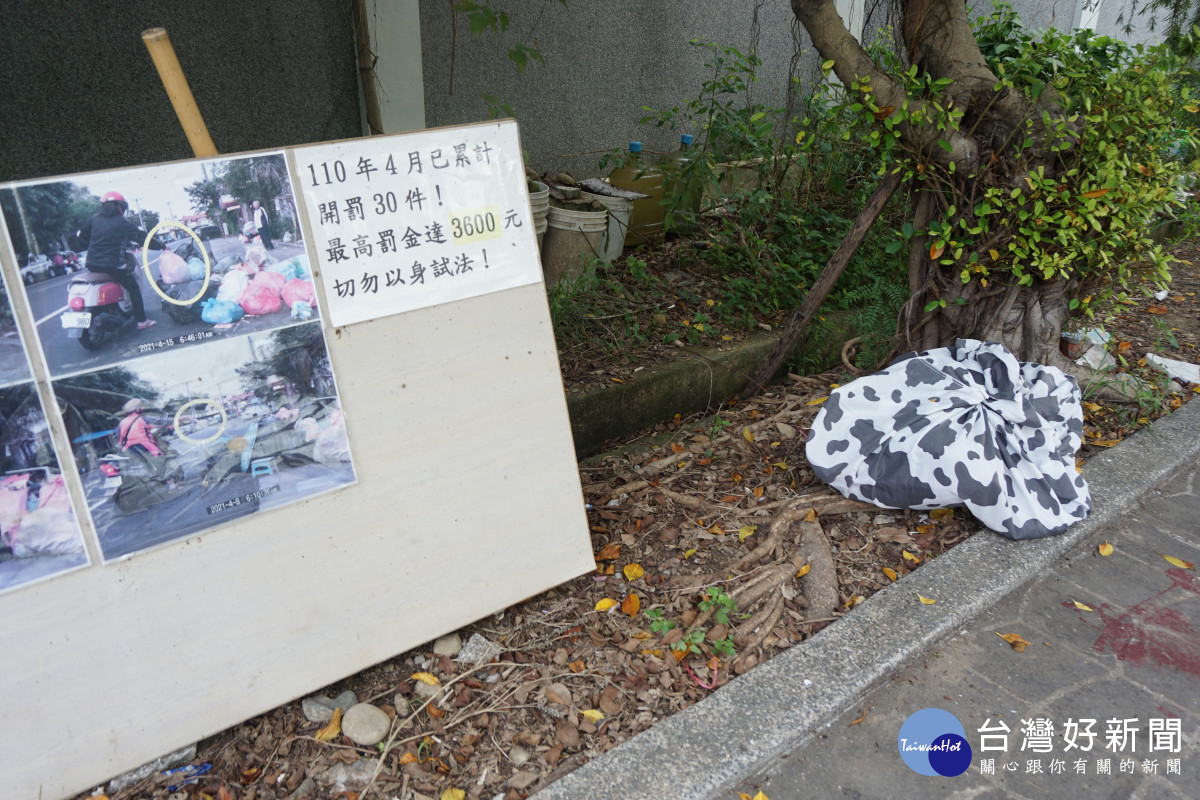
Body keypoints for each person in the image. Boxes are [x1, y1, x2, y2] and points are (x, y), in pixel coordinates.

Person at [74, 191, 164, 331]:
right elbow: (143, 238)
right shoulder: (123, 223)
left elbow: (82, 240)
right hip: (112, 265)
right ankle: (142, 321)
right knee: (133, 287)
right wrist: (162, 246)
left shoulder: (93, 219)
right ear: (120, 207)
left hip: (92, 264)